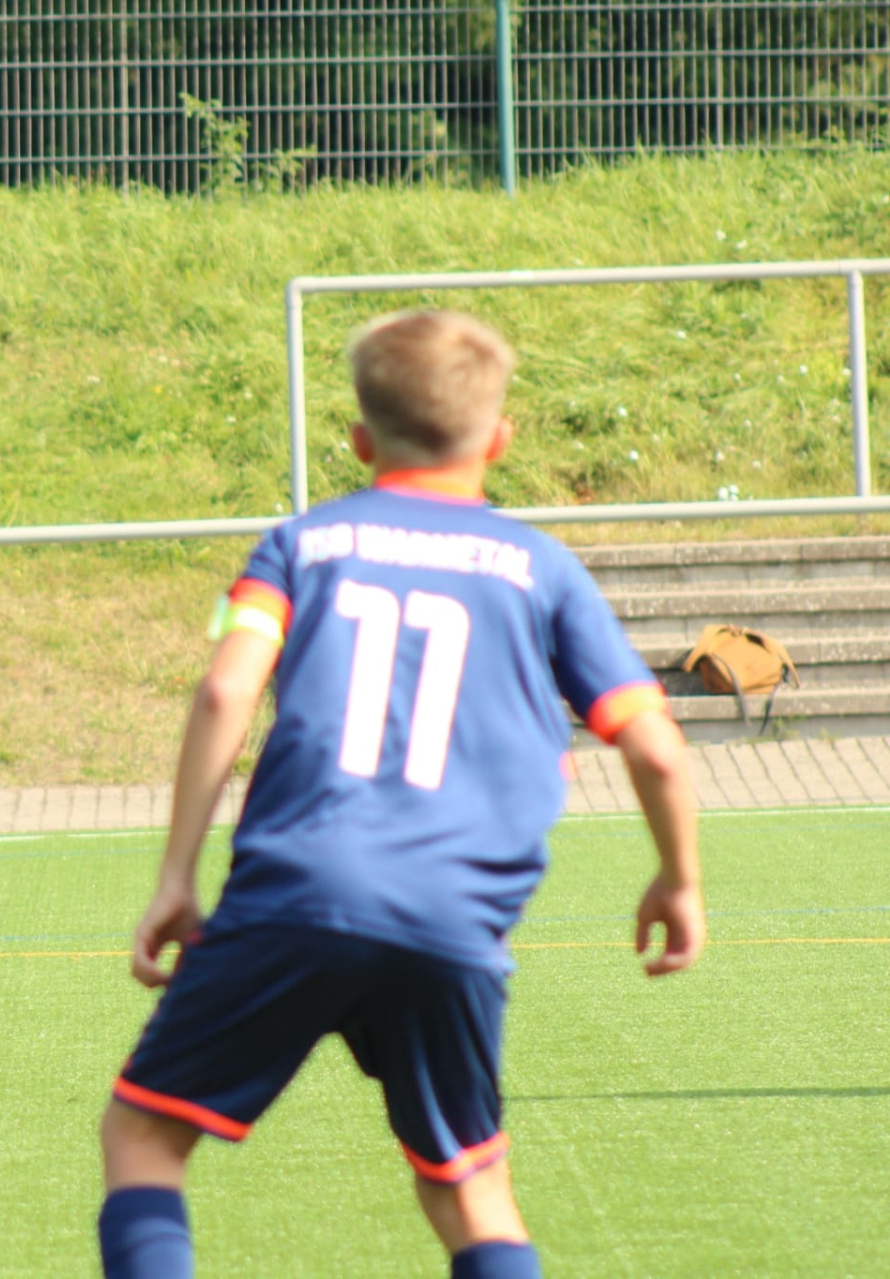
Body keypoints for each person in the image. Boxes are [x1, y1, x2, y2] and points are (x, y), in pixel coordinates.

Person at [96, 311, 706, 1279]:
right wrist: (679, 878)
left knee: (143, 1135)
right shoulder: (543, 568)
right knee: (468, 1187)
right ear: (499, 439)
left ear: (360, 441)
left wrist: (176, 874)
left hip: (296, 892)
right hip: (453, 917)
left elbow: (223, 691)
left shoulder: (303, 543)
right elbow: (658, 752)